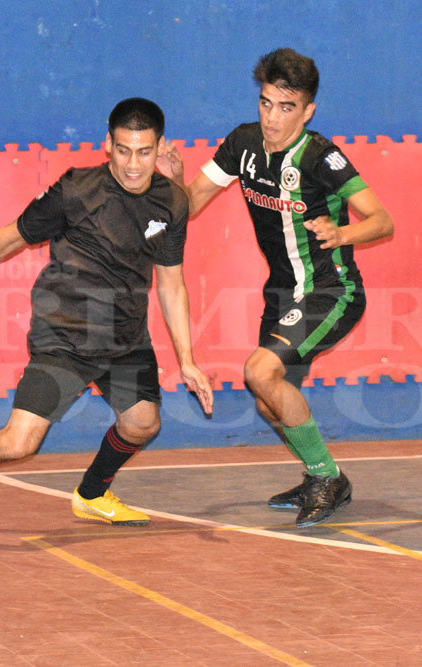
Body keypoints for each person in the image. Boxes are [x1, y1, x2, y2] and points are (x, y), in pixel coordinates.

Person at [0, 97, 213, 526]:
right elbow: (11, 236)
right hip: (66, 334)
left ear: (161, 147)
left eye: (144, 152)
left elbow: (172, 282)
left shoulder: (172, 202)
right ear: (108, 144)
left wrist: (187, 360)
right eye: (123, 150)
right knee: (17, 443)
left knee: (143, 423)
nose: (132, 164)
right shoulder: (77, 190)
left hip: (125, 337)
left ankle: (91, 495)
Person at [161, 48, 393, 527]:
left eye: (286, 107)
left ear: (307, 111)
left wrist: (343, 234)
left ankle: (327, 478)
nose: (272, 118)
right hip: (283, 293)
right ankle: (323, 476)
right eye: (266, 103)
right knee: (272, 402)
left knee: (259, 371)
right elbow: (191, 203)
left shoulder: (321, 157)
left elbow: (382, 220)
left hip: (332, 290)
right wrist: (174, 180)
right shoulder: (243, 144)